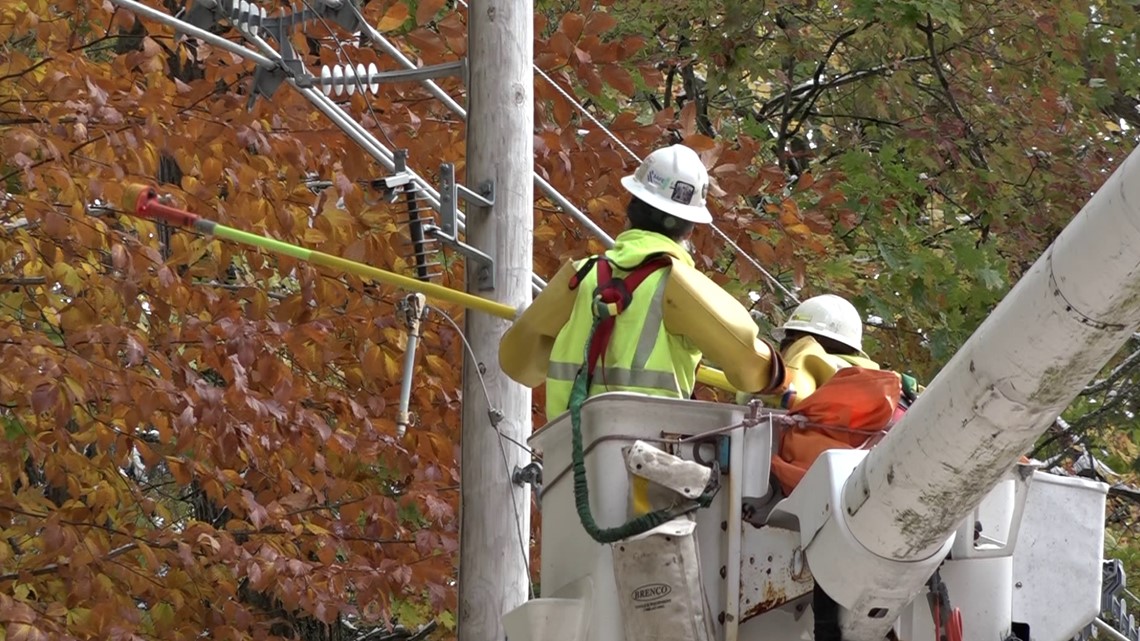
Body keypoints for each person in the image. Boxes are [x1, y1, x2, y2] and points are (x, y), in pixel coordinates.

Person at [499, 144, 787, 420]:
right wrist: (784, 381)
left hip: (569, 456)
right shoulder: (680, 286)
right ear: (689, 231)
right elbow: (750, 366)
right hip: (644, 458)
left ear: (631, 209)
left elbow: (516, 361)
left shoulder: (582, 276)